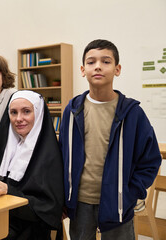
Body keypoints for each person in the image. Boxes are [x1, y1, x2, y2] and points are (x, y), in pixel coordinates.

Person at [59, 39, 162, 240]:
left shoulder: (133, 113)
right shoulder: (72, 111)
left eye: (106, 61)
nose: (98, 66)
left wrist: (131, 193)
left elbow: (150, 161)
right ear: (82, 70)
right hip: (79, 203)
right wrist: (64, 196)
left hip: (119, 203)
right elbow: (61, 155)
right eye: (91, 62)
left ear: (117, 69)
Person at [0, 90, 64, 239]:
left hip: (29, 232)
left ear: (38, 114)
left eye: (26, 112)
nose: (19, 119)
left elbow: (48, 209)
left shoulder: (50, 156)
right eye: (13, 112)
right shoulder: (2, 146)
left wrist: (7, 191)